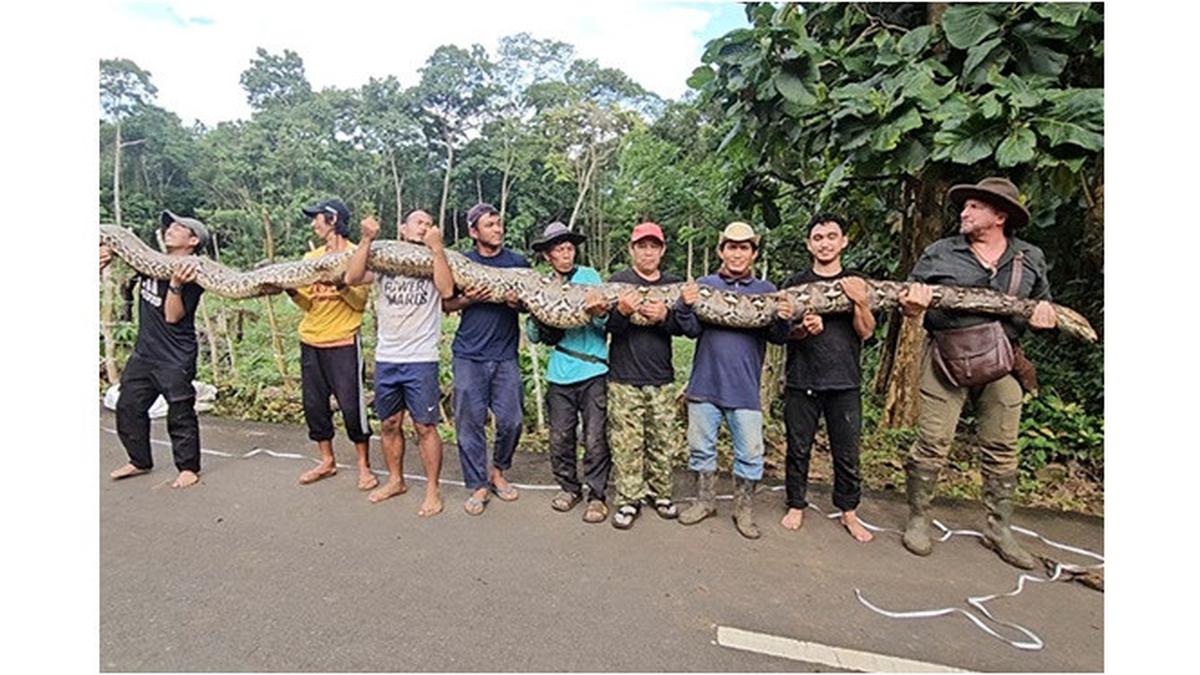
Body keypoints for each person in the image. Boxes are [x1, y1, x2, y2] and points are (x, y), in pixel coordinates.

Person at [897, 177, 1057, 570]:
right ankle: (918, 518)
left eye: (974, 207)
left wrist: (1044, 315)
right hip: (946, 357)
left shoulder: (1029, 257)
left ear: (1000, 216)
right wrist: (912, 305)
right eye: (965, 206)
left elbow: (1043, 305)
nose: (964, 213)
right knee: (932, 441)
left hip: (1003, 360)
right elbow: (909, 297)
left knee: (1002, 447)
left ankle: (999, 528)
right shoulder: (940, 252)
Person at [678, 222, 793, 539]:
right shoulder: (705, 285)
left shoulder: (767, 291)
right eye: (731, 247)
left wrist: (784, 319)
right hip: (705, 384)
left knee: (751, 453)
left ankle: (743, 510)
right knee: (701, 448)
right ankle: (705, 502)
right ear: (721, 251)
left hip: (744, 388)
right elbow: (690, 330)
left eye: (744, 247)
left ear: (753, 253)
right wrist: (685, 306)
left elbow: (777, 337)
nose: (737, 253)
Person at [344, 209, 454, 517]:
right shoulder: (386, 260)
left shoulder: (436, 259)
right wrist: (367, 239)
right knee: (389, 423)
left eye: (429, 224)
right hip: (387, 357)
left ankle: (432, 490)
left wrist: (437, 249)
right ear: (403, 229)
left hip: (421, 358)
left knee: (425, 426)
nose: (424, 227)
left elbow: (447, 290)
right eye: (418, 222)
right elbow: (352, 277)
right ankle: (396, 480)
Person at [779, 214, 876, 543]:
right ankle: (796, 504)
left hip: (844, 380)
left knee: (847, 452)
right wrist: (802, 329)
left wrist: (860, 300)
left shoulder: (856, 281)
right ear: (809, 244)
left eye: (831, 236)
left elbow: (866, 331)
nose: (825, 244)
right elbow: (782, 333)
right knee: (798, 448)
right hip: (801, 378)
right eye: (818, 238)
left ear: (844, 241)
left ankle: (849, 511)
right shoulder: (795, 284)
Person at [100, 210, 209, 489]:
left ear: (193, 241)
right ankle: (139, 460)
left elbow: (172, 317)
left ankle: (188, 468)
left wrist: (176, 284)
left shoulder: (194, 273)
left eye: (178, 227)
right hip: (145, 352)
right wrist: (104, 255)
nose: (170, 229)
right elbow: (118, 261)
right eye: (169, 226)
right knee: (128, 406)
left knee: (180, 412)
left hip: (175, 357)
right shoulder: (149, 262)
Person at [605, 222, 701, 529]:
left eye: (653, 246)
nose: (648, 252)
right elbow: (608, 328)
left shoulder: (674, 285)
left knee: (662, 440)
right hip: (623, 377)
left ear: (662, 250)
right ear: (632, 249)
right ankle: (628, 499)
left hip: (661, 377)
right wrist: (621, 312)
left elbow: (689, 330)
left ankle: (661, 494)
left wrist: (666, 316)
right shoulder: (618, 282)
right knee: (627, 444)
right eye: (642, 246)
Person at [441, 203, 529, 516]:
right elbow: (446, 304)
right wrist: (469, 299)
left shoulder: (517, 263)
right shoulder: (462, 262)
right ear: (473, 231)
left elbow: (529, 304)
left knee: (512, 420)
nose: (497, 229)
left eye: (498, 223)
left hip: (505, 355)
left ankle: (498, 471)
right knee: (469, 424)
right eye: (490, 225)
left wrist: (516, 302)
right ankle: (478, 483)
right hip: (469, 354)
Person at [286, 199, 376, 492]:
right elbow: (308, 303)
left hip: (344, 341)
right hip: (311, 340)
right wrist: (290, 290)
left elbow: (359, 303)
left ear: (333, 219)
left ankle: (364, 466)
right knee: (314, 406)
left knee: (352, 407)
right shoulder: (311, 258)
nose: (314, 224)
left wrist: (340, 283)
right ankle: (326, 460)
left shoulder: (357, 255)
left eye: (317, 218)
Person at [525, 222, 612, 523]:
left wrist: (599, 312)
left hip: (593, 370)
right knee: (560, 437)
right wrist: (538, 314)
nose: (566, 254)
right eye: (559, 250)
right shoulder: (541, 283)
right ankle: (568, 488)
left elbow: (603, 323)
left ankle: (597, 496)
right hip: (559, 373)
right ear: (548, 255)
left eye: (569, 248)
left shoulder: (589, 277)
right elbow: (533, 335)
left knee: (595, 437)